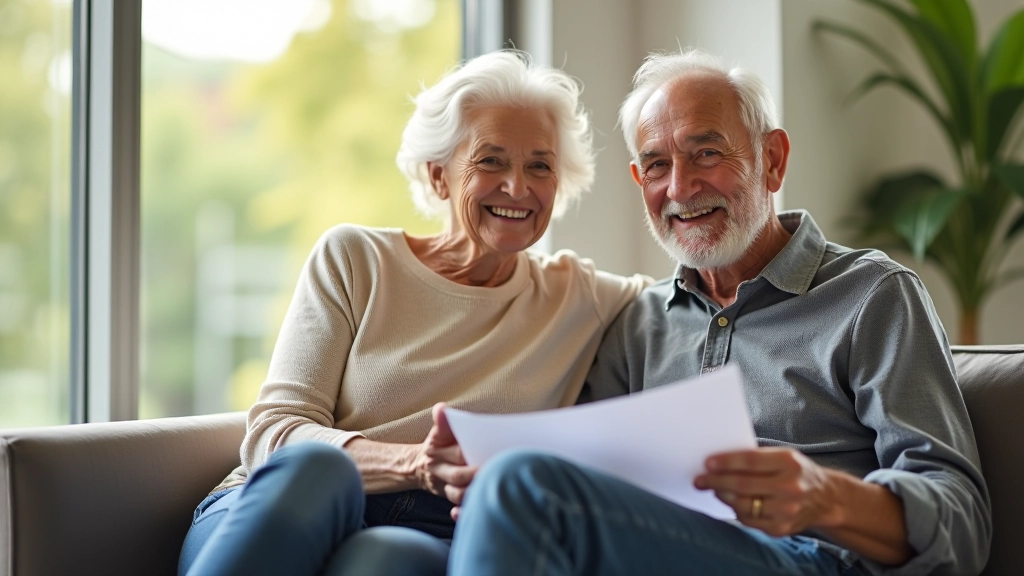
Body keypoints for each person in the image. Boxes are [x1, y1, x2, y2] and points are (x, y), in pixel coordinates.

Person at [447, 49, 991, 576]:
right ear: (641, 184)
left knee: (520, 483)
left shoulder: (873, 295)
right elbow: (588, 482)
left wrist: (825, 498)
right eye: (657, 165)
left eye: (706, 153)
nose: (680, 188)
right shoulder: (639, 322)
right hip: (657, 552)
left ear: (771, 160)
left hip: (813, 558)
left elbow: (963, 523)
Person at [177, 50, 647, 576]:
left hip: (425, 529)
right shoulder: (356, 259)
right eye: (490, 160)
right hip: (282, 506)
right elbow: (274, 432)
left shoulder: (579, 296)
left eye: (540, 165)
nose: (518, 187)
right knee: (319, 467)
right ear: (439, 176)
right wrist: (415, 463)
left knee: (387, 560)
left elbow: (707, 291)